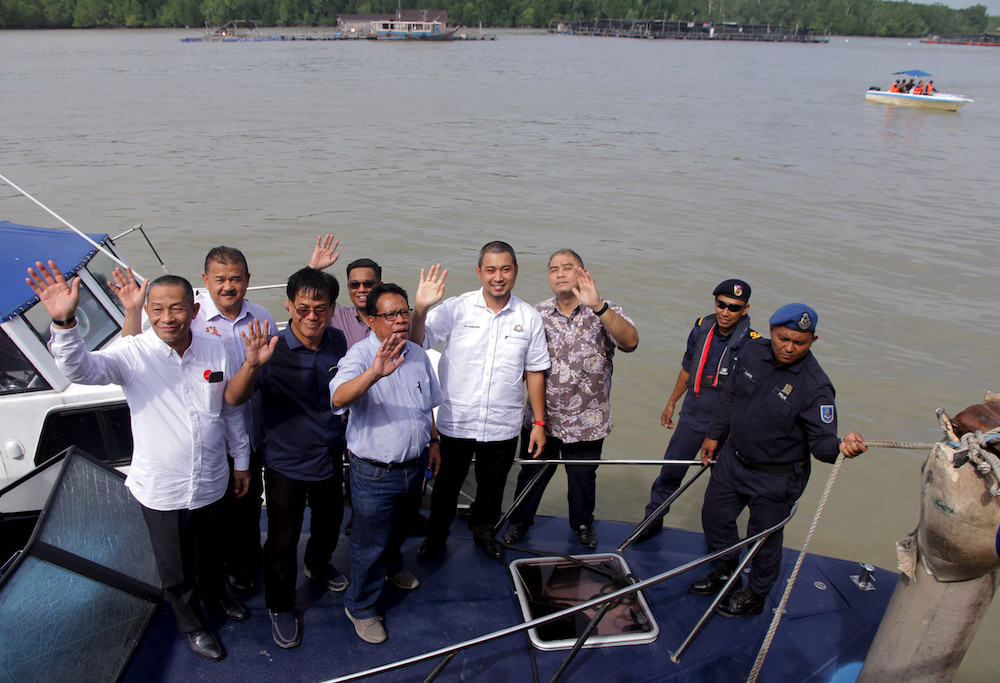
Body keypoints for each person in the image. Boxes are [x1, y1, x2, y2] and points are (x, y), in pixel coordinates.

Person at [27, 261, 250, 662]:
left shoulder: (215, 347)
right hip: (163, 488)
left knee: (213, 551)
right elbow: (81, 368)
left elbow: (230, 409)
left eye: (177, 308)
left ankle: (217, 598)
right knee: (176, 568)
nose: (168, 317)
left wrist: (242, 462)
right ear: (147, 311)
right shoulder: (132, 353)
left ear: (195, 311)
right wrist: (64, 322)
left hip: (214, 478)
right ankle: (193, 626)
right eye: (159, 309)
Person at [689, 303, 867, 618]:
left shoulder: (816, 388)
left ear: (813, 340)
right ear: (772, 331)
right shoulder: (753, 351)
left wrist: (843, 446)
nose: (789, 348)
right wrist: (714, 435)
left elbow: (822, 444)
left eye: (799, 342)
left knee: (763, 542)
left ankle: (755, 594)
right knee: (715, 518)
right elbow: (731, 395)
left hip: (775, 478)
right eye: (784, 338)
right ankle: (727, 569)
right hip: (733, 460)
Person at [225, 267, 348, 649]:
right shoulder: (270, 349)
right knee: (281, 541)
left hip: (330, 454)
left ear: (331, 309)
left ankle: (317, 562)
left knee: (329, 523)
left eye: (321, 309)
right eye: (304, 308)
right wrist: (252, 365)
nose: (312, 317)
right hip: (284, 462)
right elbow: (233, 398)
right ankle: (280, 605)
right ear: (289, 305)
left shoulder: (338, 341)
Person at [410, 241, 550, 561]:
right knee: (446, 484)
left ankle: (484, 532)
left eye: (505, 269)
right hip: (457, 419)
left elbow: (535, 372)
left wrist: (539, 423)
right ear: (479, 272)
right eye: (490, 269)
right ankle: (436, 536)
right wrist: (420, 309)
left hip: (503, 422)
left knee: (493, 485)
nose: (497, 277)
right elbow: (417, 343)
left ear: (515, 271)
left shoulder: (528, 317)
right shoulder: (456, 308)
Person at [331, 283, 443, 644]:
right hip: (374, 472)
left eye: (404, 312)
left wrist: (435, 441)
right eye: (390, 315)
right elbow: (337, 396)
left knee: (402, 528)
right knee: (369, 543)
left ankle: (394, 568)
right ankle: (361, 607)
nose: (399, 321)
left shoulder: (417, 354)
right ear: (369, 319)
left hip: (413, 466)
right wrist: (374, 375)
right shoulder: (360, 357)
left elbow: (427, 404)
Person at [503, 249, 637, 549]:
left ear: (582, 273)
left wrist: (599, 306)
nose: (560, 273)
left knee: (582, 480)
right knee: (531, 475)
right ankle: (518, 522)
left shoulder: (605, 311)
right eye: (554, 269)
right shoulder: (535, 315)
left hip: (588, 422)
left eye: (567, 267)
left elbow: (630, 342)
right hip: (542, 420)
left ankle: (583, 525)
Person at [635, 279, 757, 543]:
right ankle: (652, 519)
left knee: (724, 487)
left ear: (745, 310)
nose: (725, 312)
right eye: (721, 305)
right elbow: (688, 369)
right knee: (670, 471)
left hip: (726, 425)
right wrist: (671, 402)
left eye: (733, 308)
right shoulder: (701, 330)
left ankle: (721, 539)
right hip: (692, 416)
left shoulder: (753, 345)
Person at [196, 246, 278, 595]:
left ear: (247, 280)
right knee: (221, 507)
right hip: (214, 435)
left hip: (254, 429)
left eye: (235, 279)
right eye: (220, 279)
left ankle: (249, 554)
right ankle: (229, 568)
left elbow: (273, 374)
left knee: (249, 498)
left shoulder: (261, 317)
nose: (228, 286)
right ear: (205, 281)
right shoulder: (193, 320)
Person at [308, 235, 381, 348]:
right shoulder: (335, 315)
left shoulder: (393, 317)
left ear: (380, 285)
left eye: (368, 284)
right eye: (355, 285)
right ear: (348, 288)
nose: (361, 290)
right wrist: (313, 270)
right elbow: (297, 302)